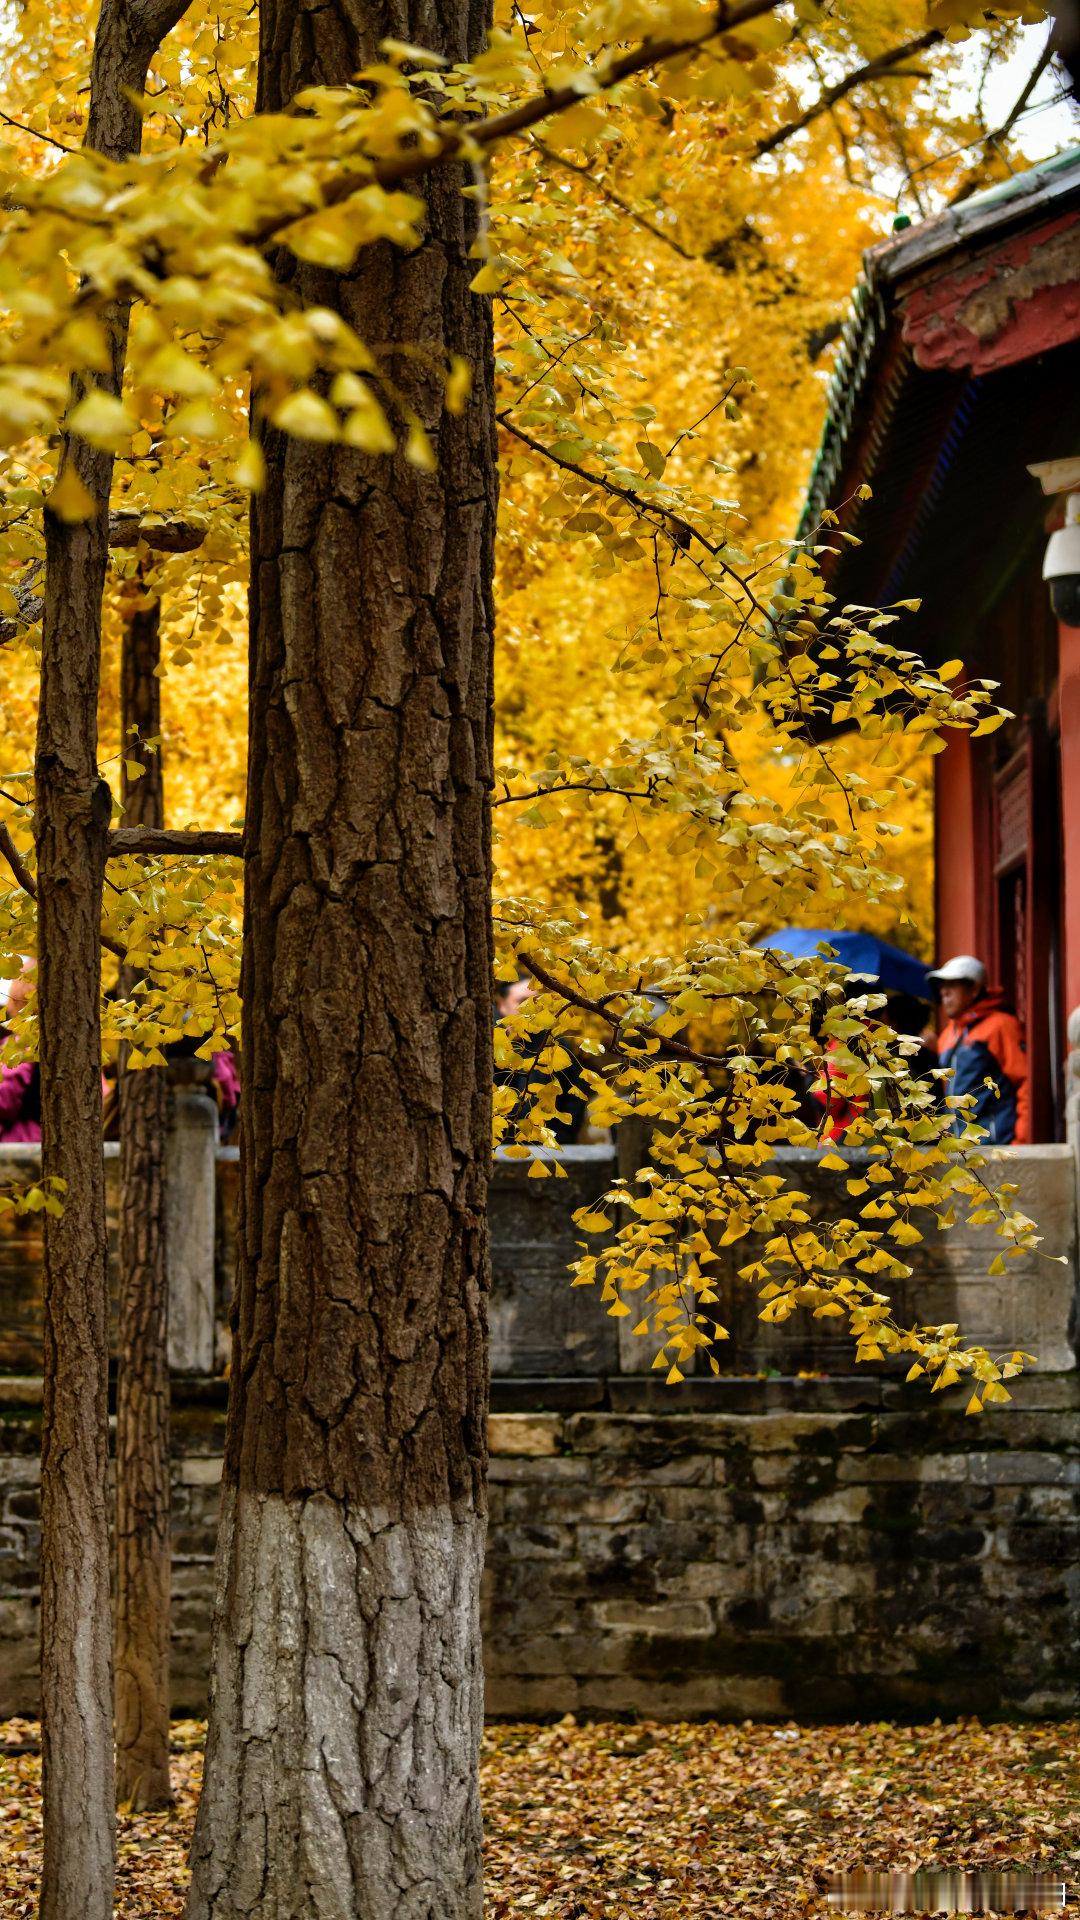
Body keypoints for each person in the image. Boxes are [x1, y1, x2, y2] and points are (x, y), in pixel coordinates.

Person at [928, 954, 1029, 1145]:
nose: (944, 992)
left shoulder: (1001, 1025)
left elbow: (1025, 1083)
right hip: (960, 1153)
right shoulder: (947, 1036)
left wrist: (1021, 1142)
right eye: (942, 986)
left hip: (997, 1148)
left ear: (974, 989)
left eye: (952, 985)